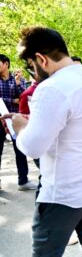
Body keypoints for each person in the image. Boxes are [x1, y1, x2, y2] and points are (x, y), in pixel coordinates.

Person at [3, 26, 82, 257]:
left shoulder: (51, 88)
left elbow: (32, 148)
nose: (32, 72)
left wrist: (20, 126)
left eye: (31, 66)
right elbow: (74, 123)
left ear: (41, 59)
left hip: (64, 195)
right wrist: (35, 122)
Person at [0, 54, 34, 190]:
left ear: (6, 64)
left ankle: (23, 181)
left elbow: (24, 97)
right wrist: (13, 100)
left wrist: (19, 83)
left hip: (15, 119)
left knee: (20, 150)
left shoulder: (16, 79)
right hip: (0, 120)